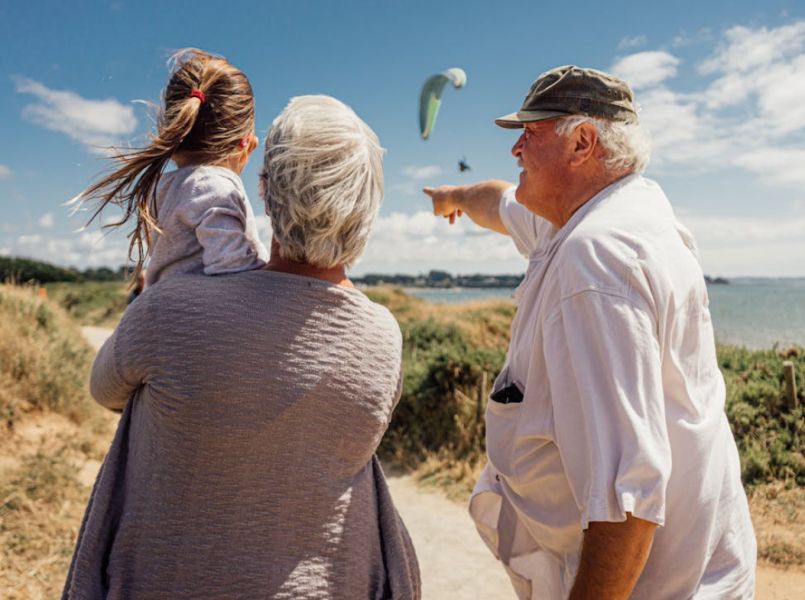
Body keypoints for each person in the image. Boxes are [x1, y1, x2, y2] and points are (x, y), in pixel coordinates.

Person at [63, 95, 421, 599]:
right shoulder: (383, 336)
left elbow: (105, 390)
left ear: (266, 190)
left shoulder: (170, 309)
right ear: (366, 206)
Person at [425, 65, 756, 599]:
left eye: (529, 134)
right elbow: (499, 200)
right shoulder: (611, 213)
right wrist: (453, 195)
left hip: (654, 588)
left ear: (582, 142)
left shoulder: (596, 258)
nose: (515, 151)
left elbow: (627, 501)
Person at [73, 48, 268, 288]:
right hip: (198, 319)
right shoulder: (214, 187)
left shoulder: (162, 188)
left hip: (164, 309)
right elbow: (234, 270)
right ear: (246, 145)